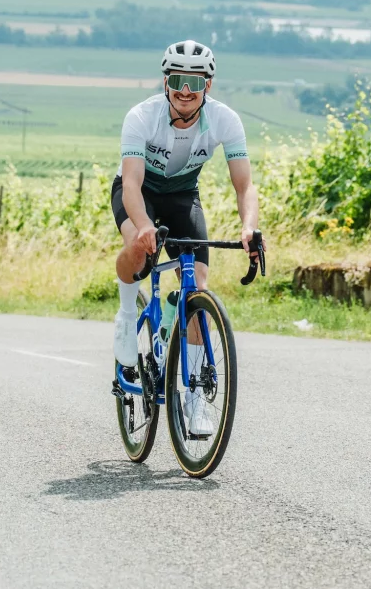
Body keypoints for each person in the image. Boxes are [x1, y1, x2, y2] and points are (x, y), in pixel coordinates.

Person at [111, 40, 262, 436]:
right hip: (140, 191)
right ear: (166, 80)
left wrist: (249, 226)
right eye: (177, 79)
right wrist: (143, 226)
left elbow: (244, 184)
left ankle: (194, 400)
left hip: (182, 196)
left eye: (194, 82)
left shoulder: (225, 120)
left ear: (207, 86)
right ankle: (128, 315)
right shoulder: (142, 116)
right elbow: (130, 184)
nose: (185, 90)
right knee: (139, 253)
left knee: (198, 286)